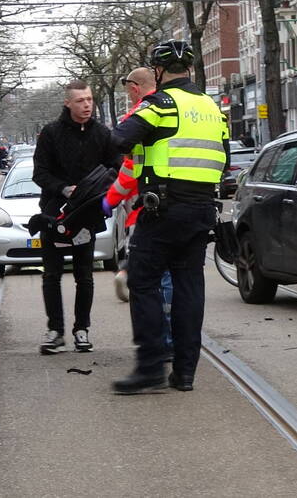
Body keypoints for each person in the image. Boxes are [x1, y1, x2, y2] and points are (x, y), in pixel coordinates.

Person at [110, 40, 230, 394]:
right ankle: (186, 372)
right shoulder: (211, 107)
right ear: (190, 68)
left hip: (162, 209)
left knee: (143, 282)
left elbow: (120, 139)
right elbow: (222, 153)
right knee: (189, 286)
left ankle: (150, 369)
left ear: (158, 71)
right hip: (202, 210)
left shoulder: (159, 103)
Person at [32, 80, 119, 355]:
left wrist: (102, 189)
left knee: (85, 275)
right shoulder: (50, 133)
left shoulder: (103, 134)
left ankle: (82, 329)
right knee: (51, 275)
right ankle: (55, 330)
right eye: (80, 100)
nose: (87, 105)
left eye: (90, 100)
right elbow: (39, 173)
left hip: (87, 215)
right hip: (55, 213)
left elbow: (116, 168)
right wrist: (62, 188)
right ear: (68, 103)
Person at [104, 68, 157, 303]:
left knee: (143, 251)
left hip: (143, 204)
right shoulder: (179, 106)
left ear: (135, 89)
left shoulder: (139, 117)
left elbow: (129, 170)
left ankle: (128, 272)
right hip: (189, 201)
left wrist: (110, 200)